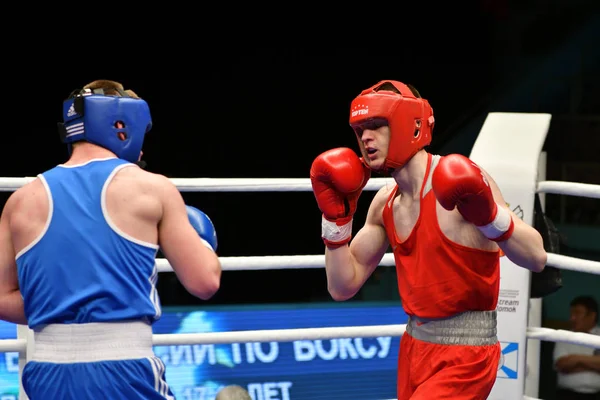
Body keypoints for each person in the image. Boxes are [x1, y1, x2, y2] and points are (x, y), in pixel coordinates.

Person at [310, 80, 548, 399]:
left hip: (467, 356)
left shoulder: (462, 183)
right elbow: (341, 287)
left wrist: (491, 217)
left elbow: (536, 257)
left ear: (411, 125)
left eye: (377, 125)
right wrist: (336, 222)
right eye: (360, 128)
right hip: (414, 347)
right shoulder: (385, 204)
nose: (366, 137)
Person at [0, 80, 222, 399]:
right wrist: (201, 242)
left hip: (46, 371)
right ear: (121, 125)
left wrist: (63, 303)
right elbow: (204, 283)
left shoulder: (21, 201)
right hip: (124, 369)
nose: (142, 149)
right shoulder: (151, 188)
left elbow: (2, 297)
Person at [553, 295, 600, 400]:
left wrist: (576, 359)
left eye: (577, 313)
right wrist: (594, 364)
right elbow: (561, 365)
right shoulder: (563, 336)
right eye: (571, 314)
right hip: (567, 395)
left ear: (592, 316)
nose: (572, 318)